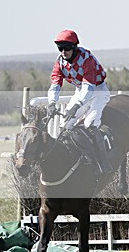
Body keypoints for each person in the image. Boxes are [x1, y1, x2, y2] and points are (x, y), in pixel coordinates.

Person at [47, 29, 112, 172]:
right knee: (65, 124)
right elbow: (56, 83)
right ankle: (75, 157)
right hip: (80, 91)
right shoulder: (60, 62)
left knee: (90, 124)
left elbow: (88, 88)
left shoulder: (86, 59)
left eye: (67, 48)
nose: (63, 52)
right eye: (60, 48)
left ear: (75, 47)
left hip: (97, 91)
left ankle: (103, 161)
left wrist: (76, 106)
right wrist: (51, 103)